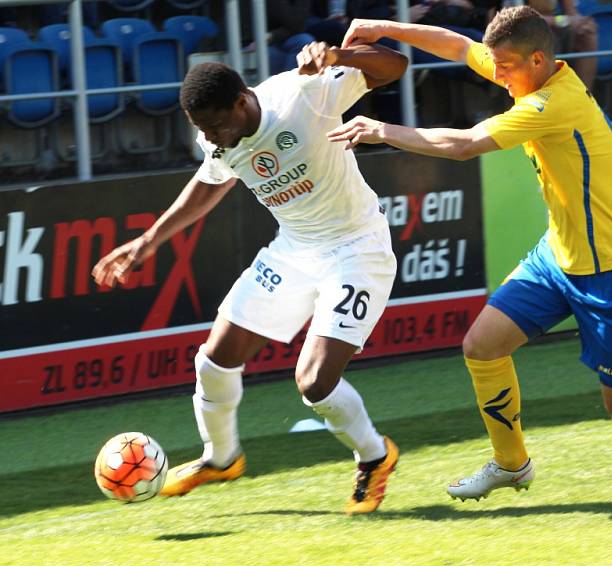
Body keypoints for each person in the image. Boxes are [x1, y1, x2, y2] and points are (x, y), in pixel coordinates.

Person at [328, 7, 612, 501]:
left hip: (610, 271)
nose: (495, 75)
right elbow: (457, 46)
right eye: (495, 63)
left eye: (503, 66)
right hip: (556, 257)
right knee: (481, 346)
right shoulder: (522, 68)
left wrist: (382, 130)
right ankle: (511, 464)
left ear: (537, 59)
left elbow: (467, 144)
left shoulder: (553, 104)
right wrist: (386, 28)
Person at [92, 41, 408, 515]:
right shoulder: (218, 137)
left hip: (356, 249)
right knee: (214, 360)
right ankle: (221, 459)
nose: (213, 139)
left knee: (315, 382)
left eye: (217, 126)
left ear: (242, 101)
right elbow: (210, 180)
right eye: (203, 131)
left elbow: (396, 66)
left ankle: (375, 456)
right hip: (294, 251)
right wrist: (148, 241)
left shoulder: (303, 95)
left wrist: (340, 57)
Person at [529, 0, 598, 90]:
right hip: (529, 31)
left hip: (557, 27)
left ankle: (582, 96)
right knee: (546, 40)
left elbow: (572, 14)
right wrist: (563, 21)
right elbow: (523, 19)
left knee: (587, 35)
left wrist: (582, 24)